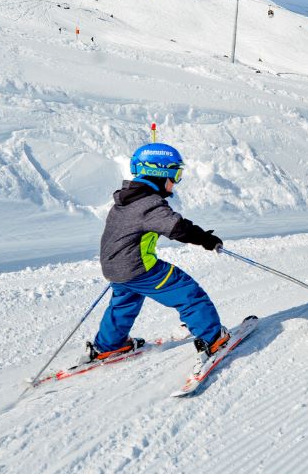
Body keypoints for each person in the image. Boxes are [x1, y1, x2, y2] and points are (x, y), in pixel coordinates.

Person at [85, 142, 229, 368]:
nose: (175, 182)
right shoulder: (149, 204)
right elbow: (177, 228)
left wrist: (119, 269)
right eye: (176, 175)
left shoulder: (124, 201)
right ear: (160, 174)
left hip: (115, 268)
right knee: (188, 293)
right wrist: (206, 239)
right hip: (139, 268)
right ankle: (213, 338)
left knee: (124, 304)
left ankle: (108, 347)